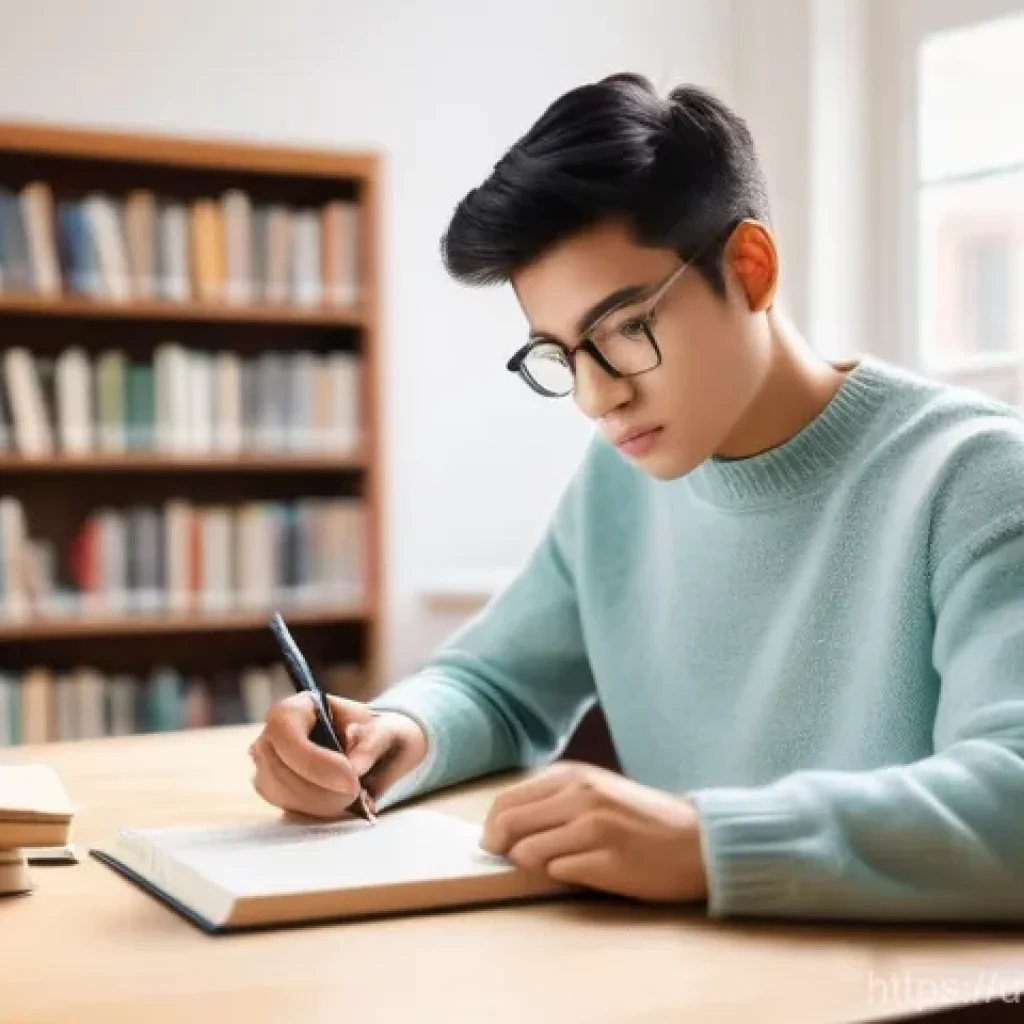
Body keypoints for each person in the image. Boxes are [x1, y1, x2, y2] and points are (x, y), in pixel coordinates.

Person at [249, 73, 1024, 921]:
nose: (596, 397)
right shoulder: (621, 477)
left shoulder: (978, 477)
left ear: (751, 268)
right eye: (560, 354)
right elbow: (496, 685)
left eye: (625, 330)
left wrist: (708, 842)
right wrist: (395, 735)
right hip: (675, 976)